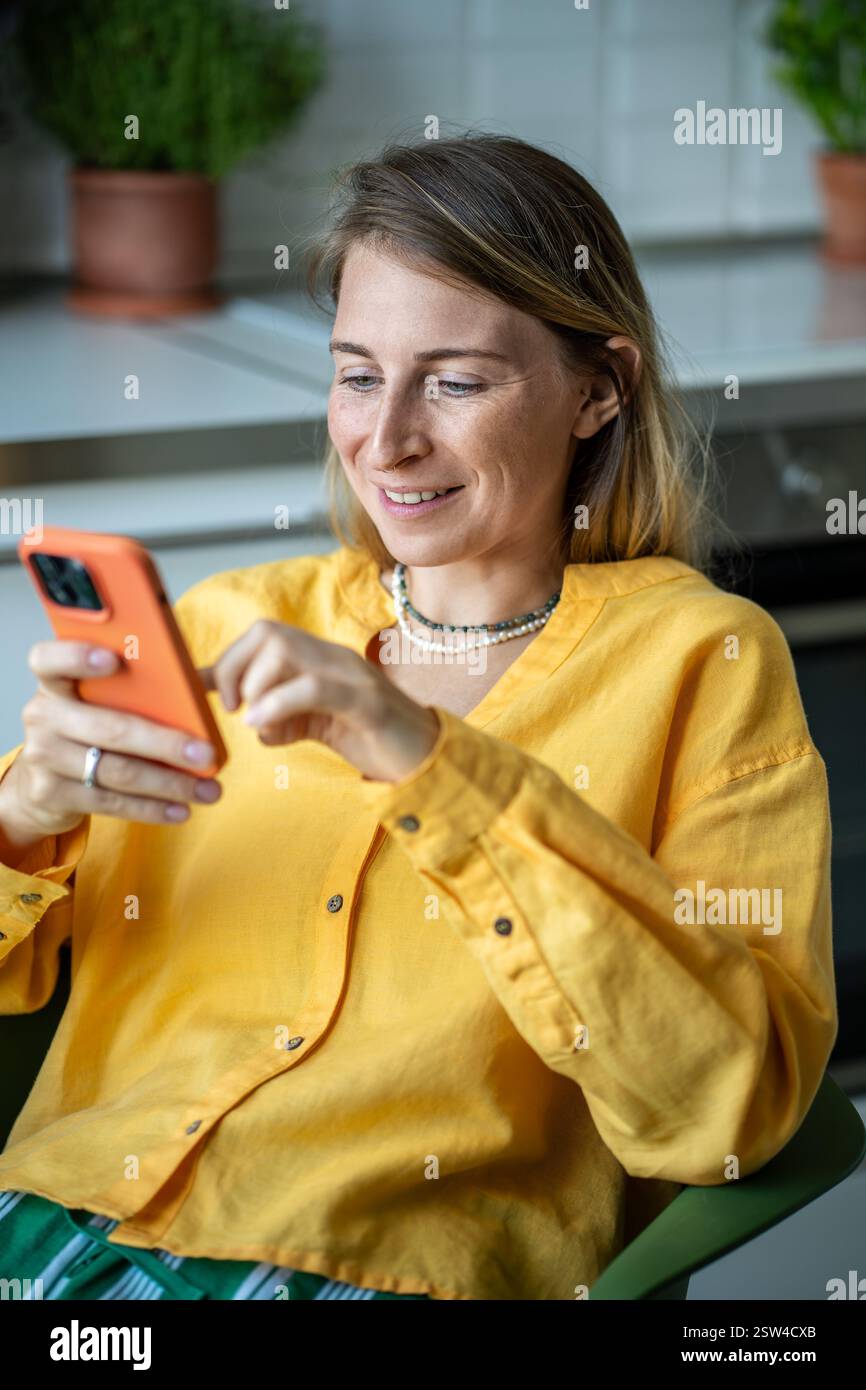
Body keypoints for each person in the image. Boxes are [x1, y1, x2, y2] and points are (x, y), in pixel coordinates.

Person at [0, 133, 837, 1302]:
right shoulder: (223, 620)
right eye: (356, 373)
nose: (384, 439)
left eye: (452, 380)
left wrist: (430, 764)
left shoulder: (697, 661)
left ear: (598, 387)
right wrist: (20, 820)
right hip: (48, 1230)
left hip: (371, 1271)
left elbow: (726, 1114)